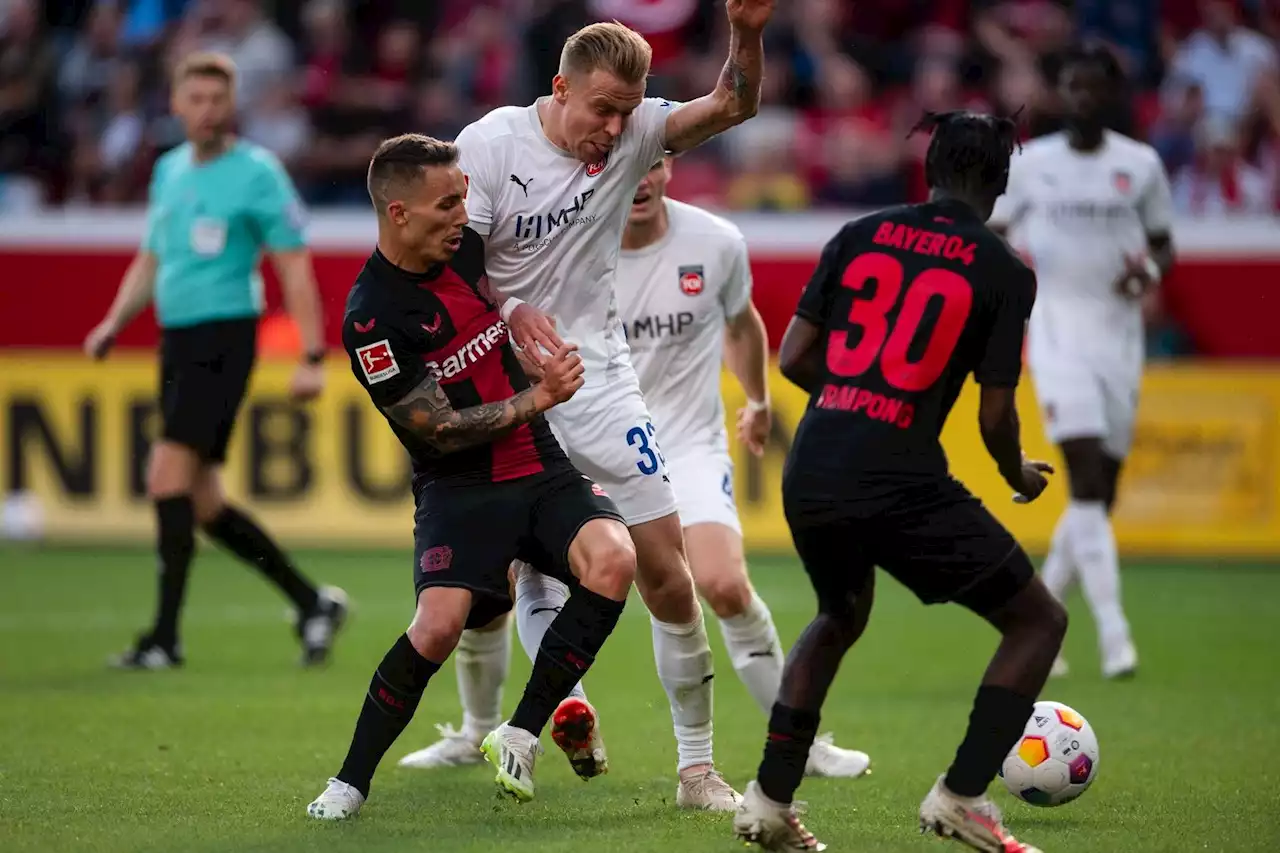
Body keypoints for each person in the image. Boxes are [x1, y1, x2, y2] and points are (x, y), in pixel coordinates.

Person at [398, 155, 871, 781]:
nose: (642, 180)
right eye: (629, 168)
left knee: (720, 584)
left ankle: (800, 741)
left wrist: (757, 399)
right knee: (508, 581)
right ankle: (490, 728)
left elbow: (742, 322)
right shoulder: (559, 248)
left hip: (683, 443)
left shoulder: (717, 241)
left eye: (654, 165)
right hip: (578, 436)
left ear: (670, 163)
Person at [422, 6, 776, 810]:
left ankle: (695, 770)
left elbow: (734, 102)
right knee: (509, 575)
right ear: (559, 89)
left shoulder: (640, 134)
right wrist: (511, 314)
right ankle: (511, 717)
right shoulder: (492, 145)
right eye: (603, 109)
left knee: (668, 573)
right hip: (508, 387)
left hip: (602, 382)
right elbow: (455, 266)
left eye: (630, 109)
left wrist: (746, 31)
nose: (616, 129)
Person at [732, 111, 1067, 853]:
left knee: (838, 615)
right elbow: (996, 415)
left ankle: (767, 799)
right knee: (1038, 621)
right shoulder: (1005, 270)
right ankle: (962, 795)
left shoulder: (859, 234)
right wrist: (1017, 473)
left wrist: (856, 396)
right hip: (897, 476)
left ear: (930, 170)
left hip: (814, 463)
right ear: (1001, 183)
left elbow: (793, 358)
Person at [307, 134, 637, 820]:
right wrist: (538, 396)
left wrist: (518, 314)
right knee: (437, 628)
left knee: (614, 558)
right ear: (398, 213)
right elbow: (436, 427)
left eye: (464, 198)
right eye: (447, 203)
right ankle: (349, 780)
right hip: (459, 486)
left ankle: (518, 731)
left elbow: (536, 264)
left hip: (538, 462)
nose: (464, 214)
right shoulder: (372, 315)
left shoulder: (471, 250)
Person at [83, 52, 345, 670]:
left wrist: (311, 352)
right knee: (203, 503)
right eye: (195, 99)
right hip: (176, 340)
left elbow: (292, 264)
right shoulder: (169, 171)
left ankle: (164, 641)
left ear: (233, 107)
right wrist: (113, 323)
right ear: (175, 104)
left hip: (225, 339)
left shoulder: (258, 173)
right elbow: (151, 257)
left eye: (217, 100)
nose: (206, 111)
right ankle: (312, 602)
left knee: (164, 477)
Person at [990, 44, 1175, 680]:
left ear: (1113, 95)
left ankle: (1041, 615)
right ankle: (1117, 636)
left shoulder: (1141, 165)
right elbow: (996, 235)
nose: (1082, 99)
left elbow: (1162, 246)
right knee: (1089, 480)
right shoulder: (1033, 165)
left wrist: (1145, 274)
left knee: (1099, 494)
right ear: (1058, 92)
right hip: (1057, 335)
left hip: (1119, 341)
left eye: (1093, 88)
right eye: (1071, 86)